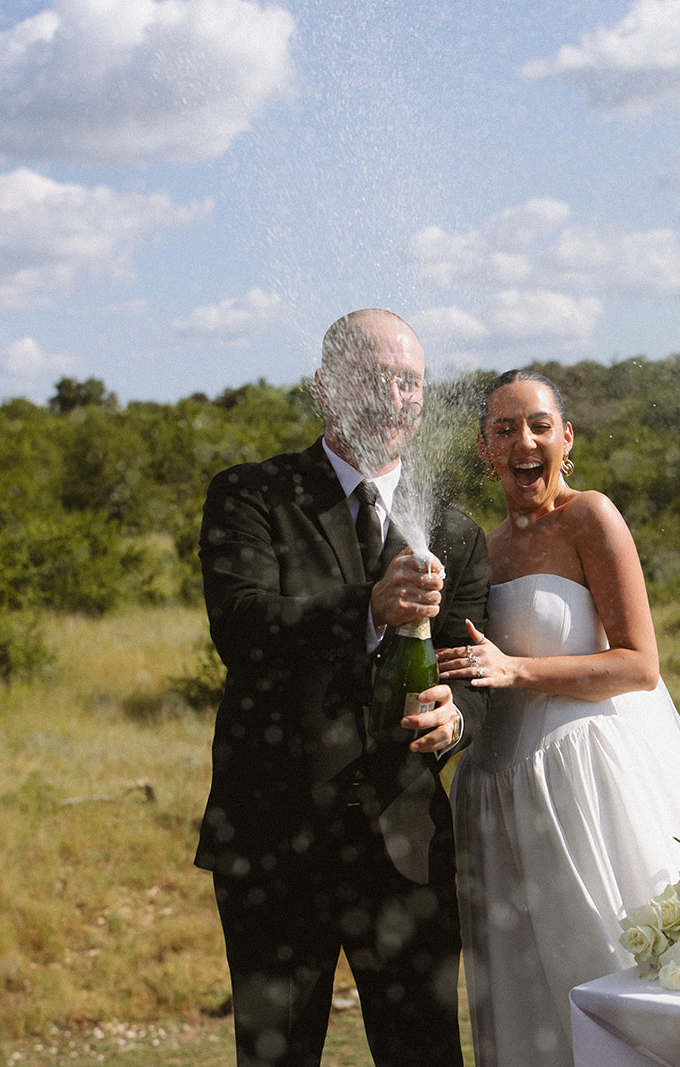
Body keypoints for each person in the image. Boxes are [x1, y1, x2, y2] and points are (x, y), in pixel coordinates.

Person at [195, 309, 488, 1067]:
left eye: (410, 382)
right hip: (273, 841)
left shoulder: (454, 531)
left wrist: (458, 717)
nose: (395, 398)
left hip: (406, 845)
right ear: (326, 388)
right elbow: (242, 627)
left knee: (425, 1055)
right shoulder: (253, 495)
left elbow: (474, 673)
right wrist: (369, 607)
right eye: (374, 379)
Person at [438, 369, 680, 1067]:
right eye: (505, 428)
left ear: (566, 437)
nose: (525, 441)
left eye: (540, 425)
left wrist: (519, 670)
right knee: (522, 988)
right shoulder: (480, 548)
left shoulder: (590, 517)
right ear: (485, 448)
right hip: (497, 793)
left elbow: (639, 664)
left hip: (585, 784)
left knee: (605, 962)